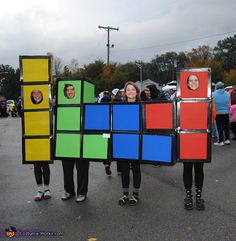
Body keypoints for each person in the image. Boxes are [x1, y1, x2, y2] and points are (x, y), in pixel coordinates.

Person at [183, 99, 216, 211]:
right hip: (186, 138)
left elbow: (211, 118)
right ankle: (188, 197)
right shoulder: (182, 98)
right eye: (190, 80)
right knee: (187, 168)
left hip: (200, 139)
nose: (193, 83)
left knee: (199, 168)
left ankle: (198, 197)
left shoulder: (207, 99)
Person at [118, 82, 141, 206]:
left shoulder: (142, 106)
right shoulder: (119, 107)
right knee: (124, 169)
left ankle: (135, 194)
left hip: (136, 142)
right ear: (125, 93)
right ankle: (125, 193)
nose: (131, 92)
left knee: (136, 169)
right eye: (128, 90)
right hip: (123, 143)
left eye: (133, 90)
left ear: (136, 92)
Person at [212, 81, 230, 146]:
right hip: (226, 112)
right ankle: (227, 140)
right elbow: (228, 103)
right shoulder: (227, 93)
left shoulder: (213, 94)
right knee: (226, 127)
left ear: (216, 87)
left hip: (217, 113)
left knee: (219, 127)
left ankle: (220, 141)